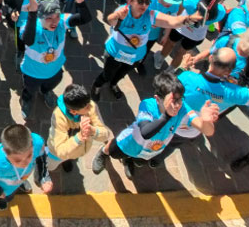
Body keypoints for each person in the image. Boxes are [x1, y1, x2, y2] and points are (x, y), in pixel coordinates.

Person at [91, 71, 219, 179]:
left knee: (138, 160)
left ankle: (128, 160)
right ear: (158, 99)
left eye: (180, 99)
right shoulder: (148, 105)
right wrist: (167, 116)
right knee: (114, 151)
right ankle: (103, 153)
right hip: (129, 142)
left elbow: (207, 131)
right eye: (173, 100)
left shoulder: (182, 108)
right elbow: (145, 132)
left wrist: (206, 121)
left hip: (151, 149)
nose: (178, 104)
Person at [19, 0, 92, 118]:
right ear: (40, 17)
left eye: (57, 16)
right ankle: (26, 100)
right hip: (32, 72)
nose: (55, 21)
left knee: (50, 85)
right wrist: (32, 13)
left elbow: (85, 18)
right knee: (29, 90)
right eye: (49, 18)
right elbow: (28, 40)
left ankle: (46, 92)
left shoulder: (62, 22)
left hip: (55, 69)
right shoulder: (30, 26)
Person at [0, 123, 54, 210]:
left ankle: (21, 183)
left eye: (29, 155)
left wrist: (43, 178)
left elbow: (41, 158)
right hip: (5, 189)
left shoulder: (37, 142)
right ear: (6, 153)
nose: (25, 163)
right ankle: (1, 200)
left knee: (19, 181)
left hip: (20, 178)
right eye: (17, 160)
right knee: (9, 197)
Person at [46, 84, 112, 173]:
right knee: (50, 167)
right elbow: (60, 151)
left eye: (89, 103)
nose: (91, 107)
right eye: (86, 107)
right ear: (73, 112)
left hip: (75, 149)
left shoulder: (90, 105)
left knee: (68, 156)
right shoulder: (58, 117)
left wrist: (93, 131)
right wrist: (80, 137)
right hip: (57, 153)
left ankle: (68, 160)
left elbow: (106, 134)